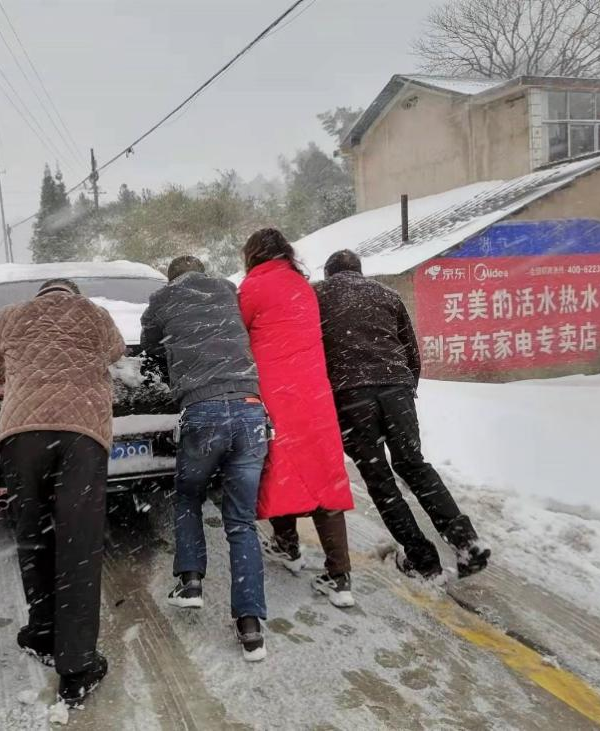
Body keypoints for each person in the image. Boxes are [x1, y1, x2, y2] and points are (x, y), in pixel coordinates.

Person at [0, 278, 124, 708]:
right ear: (72, 294)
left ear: (41, 294)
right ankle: (76, 669)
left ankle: (41, 633)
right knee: (78, 544)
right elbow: (114, 351)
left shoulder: (12, 315)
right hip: (82, 435)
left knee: (34, 534)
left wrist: (20, 364)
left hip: (22, 436)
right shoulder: (94, 314)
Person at [315, 250, 490, 579]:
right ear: (359, 271)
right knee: (415, 466)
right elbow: (411, 351)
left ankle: (423, 560)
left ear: (329, 274)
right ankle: (467, 542)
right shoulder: (387, 294)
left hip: (351, 396)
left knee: (380, 481)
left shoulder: (318, 296)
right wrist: (406, 389)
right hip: (396, 390)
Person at [141, 255, 269, 662]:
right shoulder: (227, 289)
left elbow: (149, 347)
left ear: (171, 278)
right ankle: (251, 627)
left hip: (203, 411)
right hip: (251, 409)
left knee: (187, 495)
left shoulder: (163, 299)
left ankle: (191, 582)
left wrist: (178, 363)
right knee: (241, 522)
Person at [237, 228, 356, 608]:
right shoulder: (303, 287)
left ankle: (288, 547)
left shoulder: (252, 288)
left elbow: (236, 333)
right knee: (324, 474)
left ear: (253, 255)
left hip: (276, 392)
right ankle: (340, 576)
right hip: (313, 393)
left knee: (278, 466)